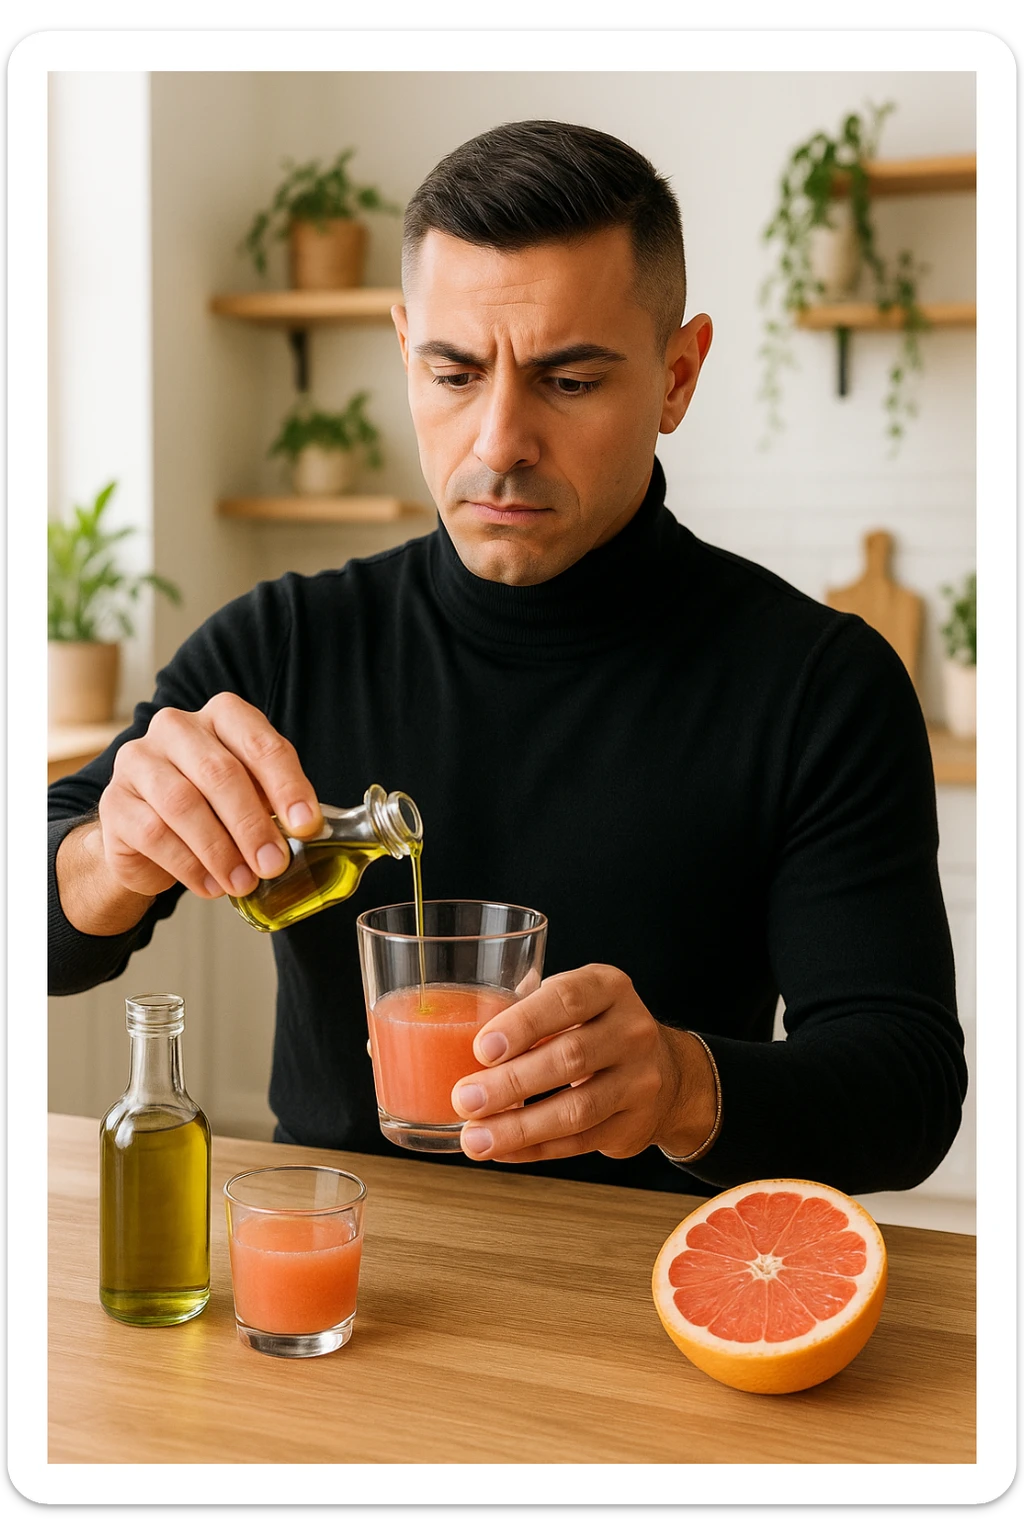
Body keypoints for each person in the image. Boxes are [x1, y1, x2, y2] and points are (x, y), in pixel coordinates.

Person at [48, 119, 966, 1196]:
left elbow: (906, 1094)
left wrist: (681, 1084)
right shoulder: (282, 644)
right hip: (340, 1283)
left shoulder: (819, 686)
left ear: (677, 376)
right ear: (404, 354)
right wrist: (108, 859)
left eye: (570, 382)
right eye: (452, 373)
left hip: (656, 1305)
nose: (497, 444)